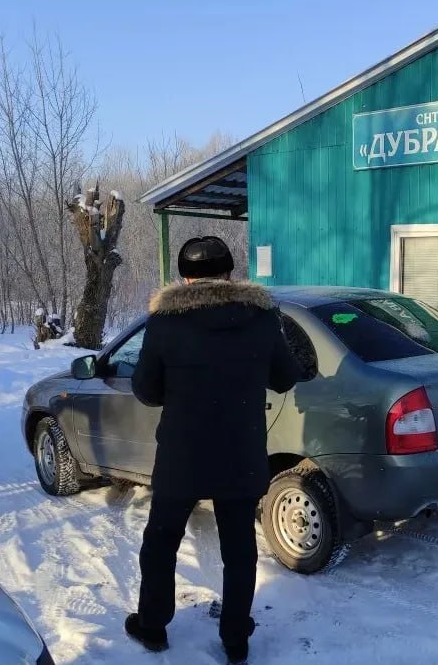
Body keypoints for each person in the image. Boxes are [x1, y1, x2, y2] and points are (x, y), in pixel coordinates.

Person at [124, 235, 307, 664]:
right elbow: (285, 378)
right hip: (239, 453)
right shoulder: (262, 318)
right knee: (240, 549)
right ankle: (236, 639)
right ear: (229, 272)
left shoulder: (165, 323)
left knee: (161, 541)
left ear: (186, 278)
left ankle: (152, 627)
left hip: (181, 455)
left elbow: (147, 392)